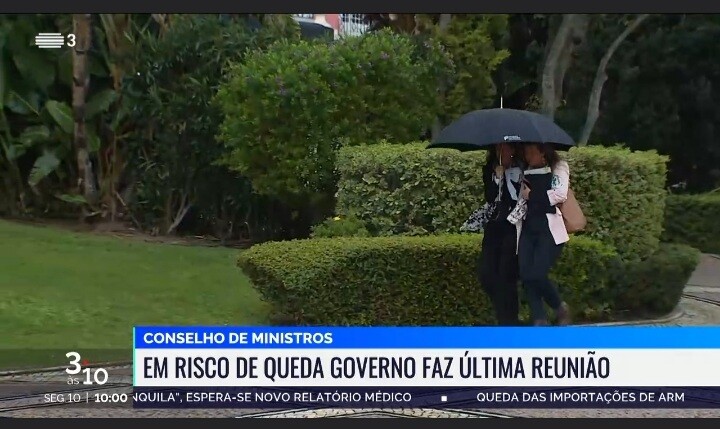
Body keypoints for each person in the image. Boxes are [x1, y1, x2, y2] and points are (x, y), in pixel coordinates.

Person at [507, 143, 571, 326]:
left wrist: (533, 195)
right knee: (526, 274)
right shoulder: (524, 170)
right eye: (525, 153)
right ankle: (539, 318)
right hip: (528, 227)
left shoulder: (558, 167)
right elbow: (519, 197)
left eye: (531, 152)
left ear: (543, 152)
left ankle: (559, 306)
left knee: (537, 274)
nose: (528, 156)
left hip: (548, 228)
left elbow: (559, 195)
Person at [477, 143, 524, 326]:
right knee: (487, 274)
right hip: (495, 226)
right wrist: (497, 178)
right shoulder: (490, 169)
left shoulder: (522, 169)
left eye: (505, 149)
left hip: (513, 225)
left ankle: (509, 320)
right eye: (498, 150)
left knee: (506, 274)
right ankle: (503, 315)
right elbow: (490, 197)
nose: (501, 153)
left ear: (513, 150)